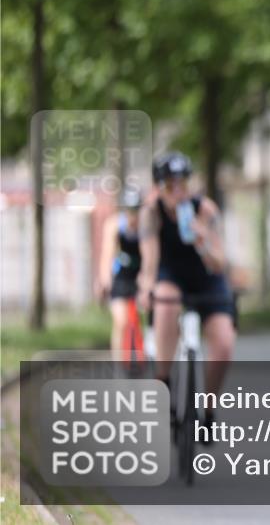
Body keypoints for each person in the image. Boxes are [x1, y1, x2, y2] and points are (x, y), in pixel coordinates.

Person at [136, 151, 236, 431]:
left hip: (207, 278)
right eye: (170, 185)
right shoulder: (150, 213)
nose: (178, 191)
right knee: (166, 304)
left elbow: (219, 263)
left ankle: (208, 411)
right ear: (159, 186)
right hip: (171, 275)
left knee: (225, 343)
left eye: (183, 183)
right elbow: (150, 260)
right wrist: (146, 289)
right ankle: (164, 380)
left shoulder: (205, 210)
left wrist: (201, 238)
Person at [96, 187, 143, 360]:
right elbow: (107, 254)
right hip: (122, 276)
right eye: (130, 210)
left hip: (142, 274)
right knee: (121, 321)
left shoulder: (148, 225)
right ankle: (118, 364)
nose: (133, 215)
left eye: (137, 210)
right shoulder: (115, 225)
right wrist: (104, 280)